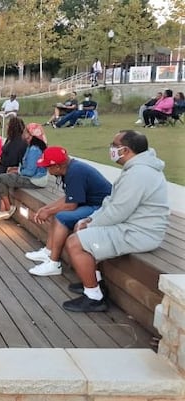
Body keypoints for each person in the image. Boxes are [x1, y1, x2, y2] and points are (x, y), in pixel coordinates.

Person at [61, 130, 169, 312]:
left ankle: (94, 297)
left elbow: (118, 211)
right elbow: (110, 203)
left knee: (74, 242)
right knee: (82, 230)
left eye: (114, 145)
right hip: (131, 225)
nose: (111, 149)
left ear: (126, 150)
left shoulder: (139, 174)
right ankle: (96, 283)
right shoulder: (135, 169)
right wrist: (89, 219)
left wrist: (89, 225)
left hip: (141, 233)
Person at [24, 146, 112, 276]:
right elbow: (69, 197)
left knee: (61, 217)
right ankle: (48, 251)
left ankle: (54, 263)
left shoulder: (75, 172)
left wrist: (49, 212)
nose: (46, 170)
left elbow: (71, 206)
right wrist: (47, 208)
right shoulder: (70, 169)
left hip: (102, 207)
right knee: (56, 213)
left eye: (48, 167)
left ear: (58, 166)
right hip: (90, 203)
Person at [0, 123, 48, 221]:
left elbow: (29, 172)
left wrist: (17, 171)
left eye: (25, 131)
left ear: (30, 134)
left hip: (34, 180)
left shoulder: (34, 149)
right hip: (33, 177)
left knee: (1, 178)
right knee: (6, 175)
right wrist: (16, 169)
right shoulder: (31, 146)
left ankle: (7, 209)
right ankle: (3, 209)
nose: (23, 133)